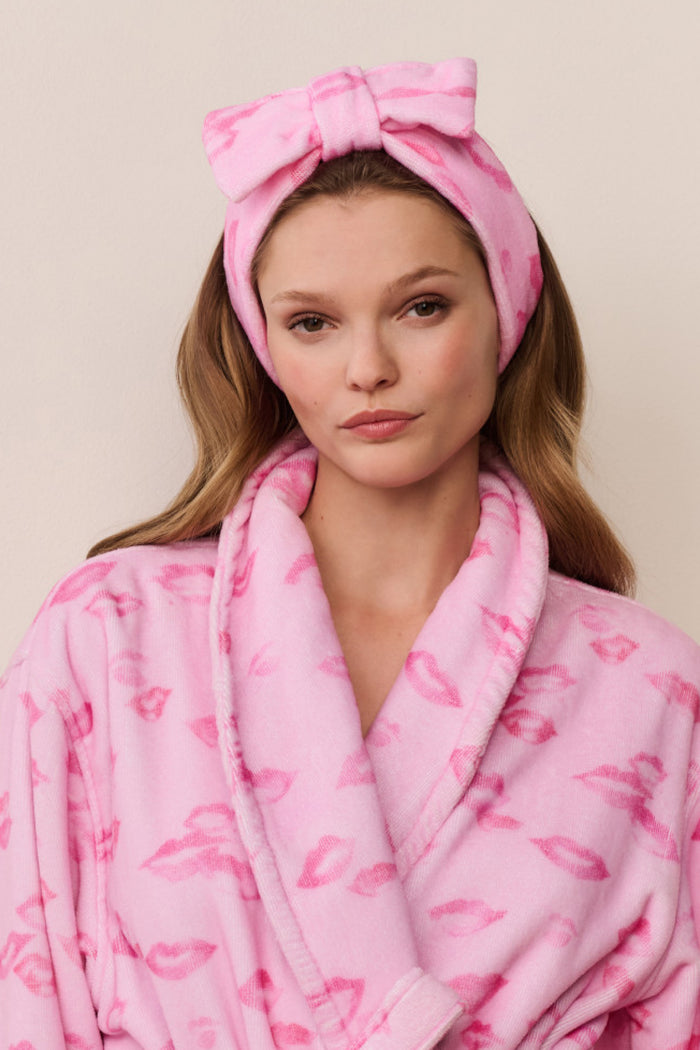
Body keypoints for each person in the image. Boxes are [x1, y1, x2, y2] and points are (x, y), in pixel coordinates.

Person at [1, 57, 699, 1050]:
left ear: (506, 310)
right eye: (312, 323)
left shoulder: (650, 690)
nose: (368, 369)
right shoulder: (105, 641)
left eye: (421, 307)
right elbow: (22, 999)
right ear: (263, 348)